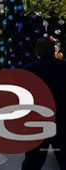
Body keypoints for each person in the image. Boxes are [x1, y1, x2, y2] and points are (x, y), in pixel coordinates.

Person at [21, 37, 66, 170]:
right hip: (62, 120)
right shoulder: (64, 67)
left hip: (37, 122)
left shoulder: (29, 70)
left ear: (38, 52)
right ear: (54, 51)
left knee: (33, 159)